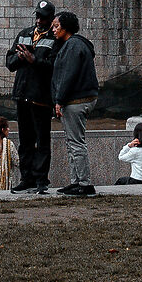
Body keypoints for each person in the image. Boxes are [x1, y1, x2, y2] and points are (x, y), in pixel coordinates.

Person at [4, 1, 58, 195]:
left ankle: (41, 179)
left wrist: (34, 60)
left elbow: (54, 66)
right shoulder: (24, 34)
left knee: (42, 140)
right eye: (37, 16)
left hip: (41, 97)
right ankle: (26, 178)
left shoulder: (55, 38)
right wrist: (20, 58)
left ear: (51, 18)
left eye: (43, 17)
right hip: (22, 94)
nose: (39, 20)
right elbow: (9, 62)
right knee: (25, 140)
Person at [50, 10, 99, 197]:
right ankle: (76, 181)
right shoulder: (77, 44)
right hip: (82, 99)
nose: (53, 30)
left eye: (56, 26)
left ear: (66, 27)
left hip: (75, 101)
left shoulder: (72, 47)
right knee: (72, 142)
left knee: (76, 143)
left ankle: (84, 184)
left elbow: (67, 76)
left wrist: (59, 100)